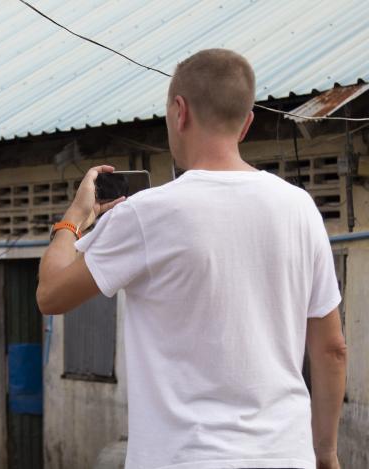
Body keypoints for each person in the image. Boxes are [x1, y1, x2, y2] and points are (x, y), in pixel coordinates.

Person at [37, 49, 347, 469]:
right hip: (285, 455)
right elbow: (331, 349)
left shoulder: (147, 213)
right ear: (248, 122)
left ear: (179, 112)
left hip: (184, 457)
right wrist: (325, 454)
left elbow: (51, 295)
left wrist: (74, 218)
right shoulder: (301, 208)